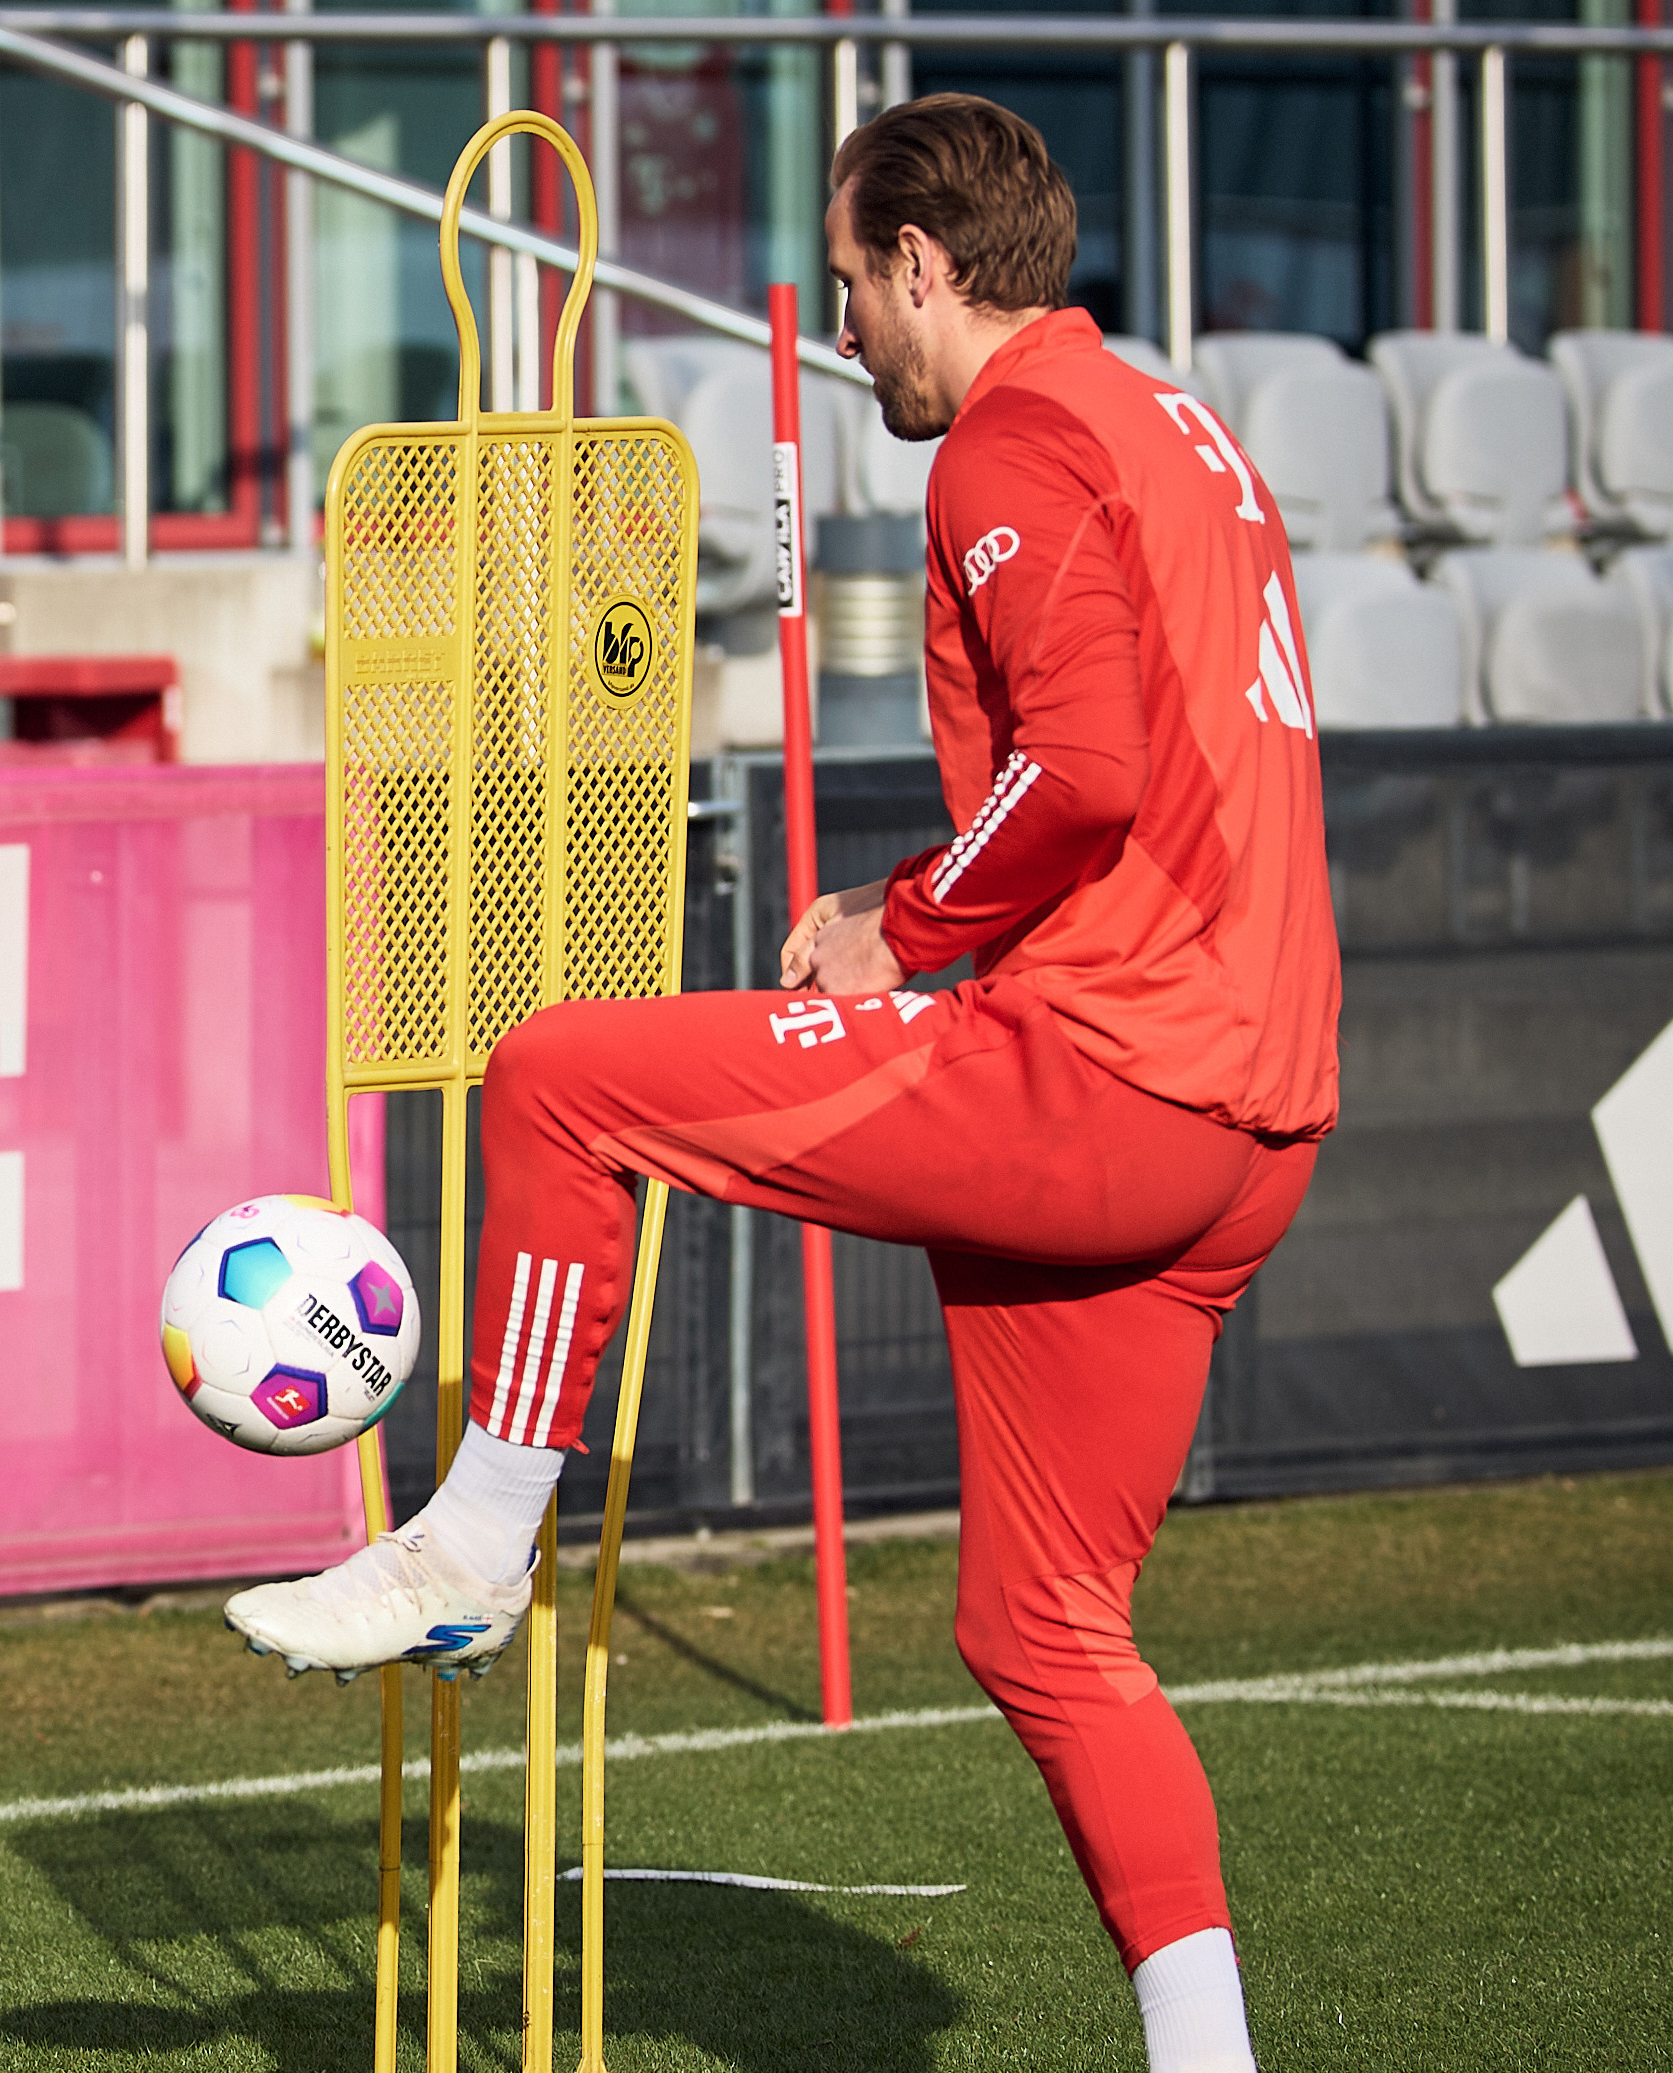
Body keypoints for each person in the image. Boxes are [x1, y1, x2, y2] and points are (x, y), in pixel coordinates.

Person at [222, 96, 1335, 2073]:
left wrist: (891, 924)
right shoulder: (1179, 427)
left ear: (927, 264)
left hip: (1107, 1070)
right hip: (1250, 1115)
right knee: (1040, 1631)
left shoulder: (1012, 436)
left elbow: (1085, 772)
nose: (841, 332)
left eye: (849, 286)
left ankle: (472, 1540)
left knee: (559, 1076)